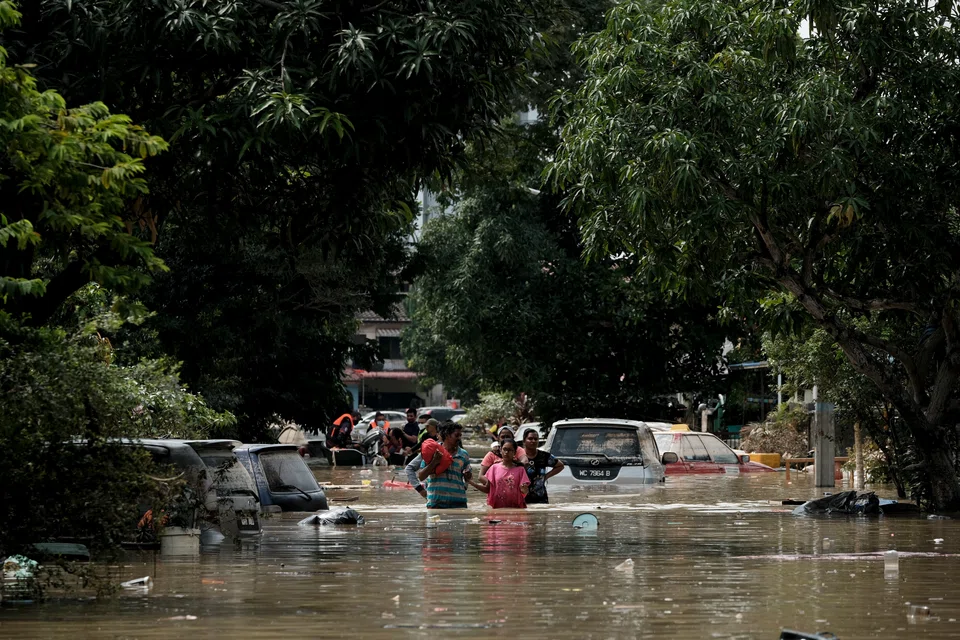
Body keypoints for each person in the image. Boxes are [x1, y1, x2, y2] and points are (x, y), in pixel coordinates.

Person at [416, 422, 472, 509]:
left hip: (459, 503)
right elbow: (421, 476)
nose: (459, 438)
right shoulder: (432, 451)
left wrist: (468, 476)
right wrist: (435, 461)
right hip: (436, 503)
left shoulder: (464, 454)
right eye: (456, 435)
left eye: (460, 435)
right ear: (446, 435)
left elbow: (468, 479)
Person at [469, 440, 529, 508]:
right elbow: (487, 489)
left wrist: (524, 489)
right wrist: (472, 483)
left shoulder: (520, 470)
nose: (506, 452)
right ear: (501, 450)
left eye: (510, 450)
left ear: (514, 452)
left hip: (515, 508)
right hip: (497, 508)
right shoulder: (494, 468)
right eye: (504, 449)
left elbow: (525, 491)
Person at [518, 426, 564, 505]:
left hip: (541, 498)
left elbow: (560, 466)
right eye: (530, 438)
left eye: (536, 439)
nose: (533, 441)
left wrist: (546, 477)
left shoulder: (544, 456)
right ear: (524, 441)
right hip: (521, 497)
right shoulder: (518, 457)